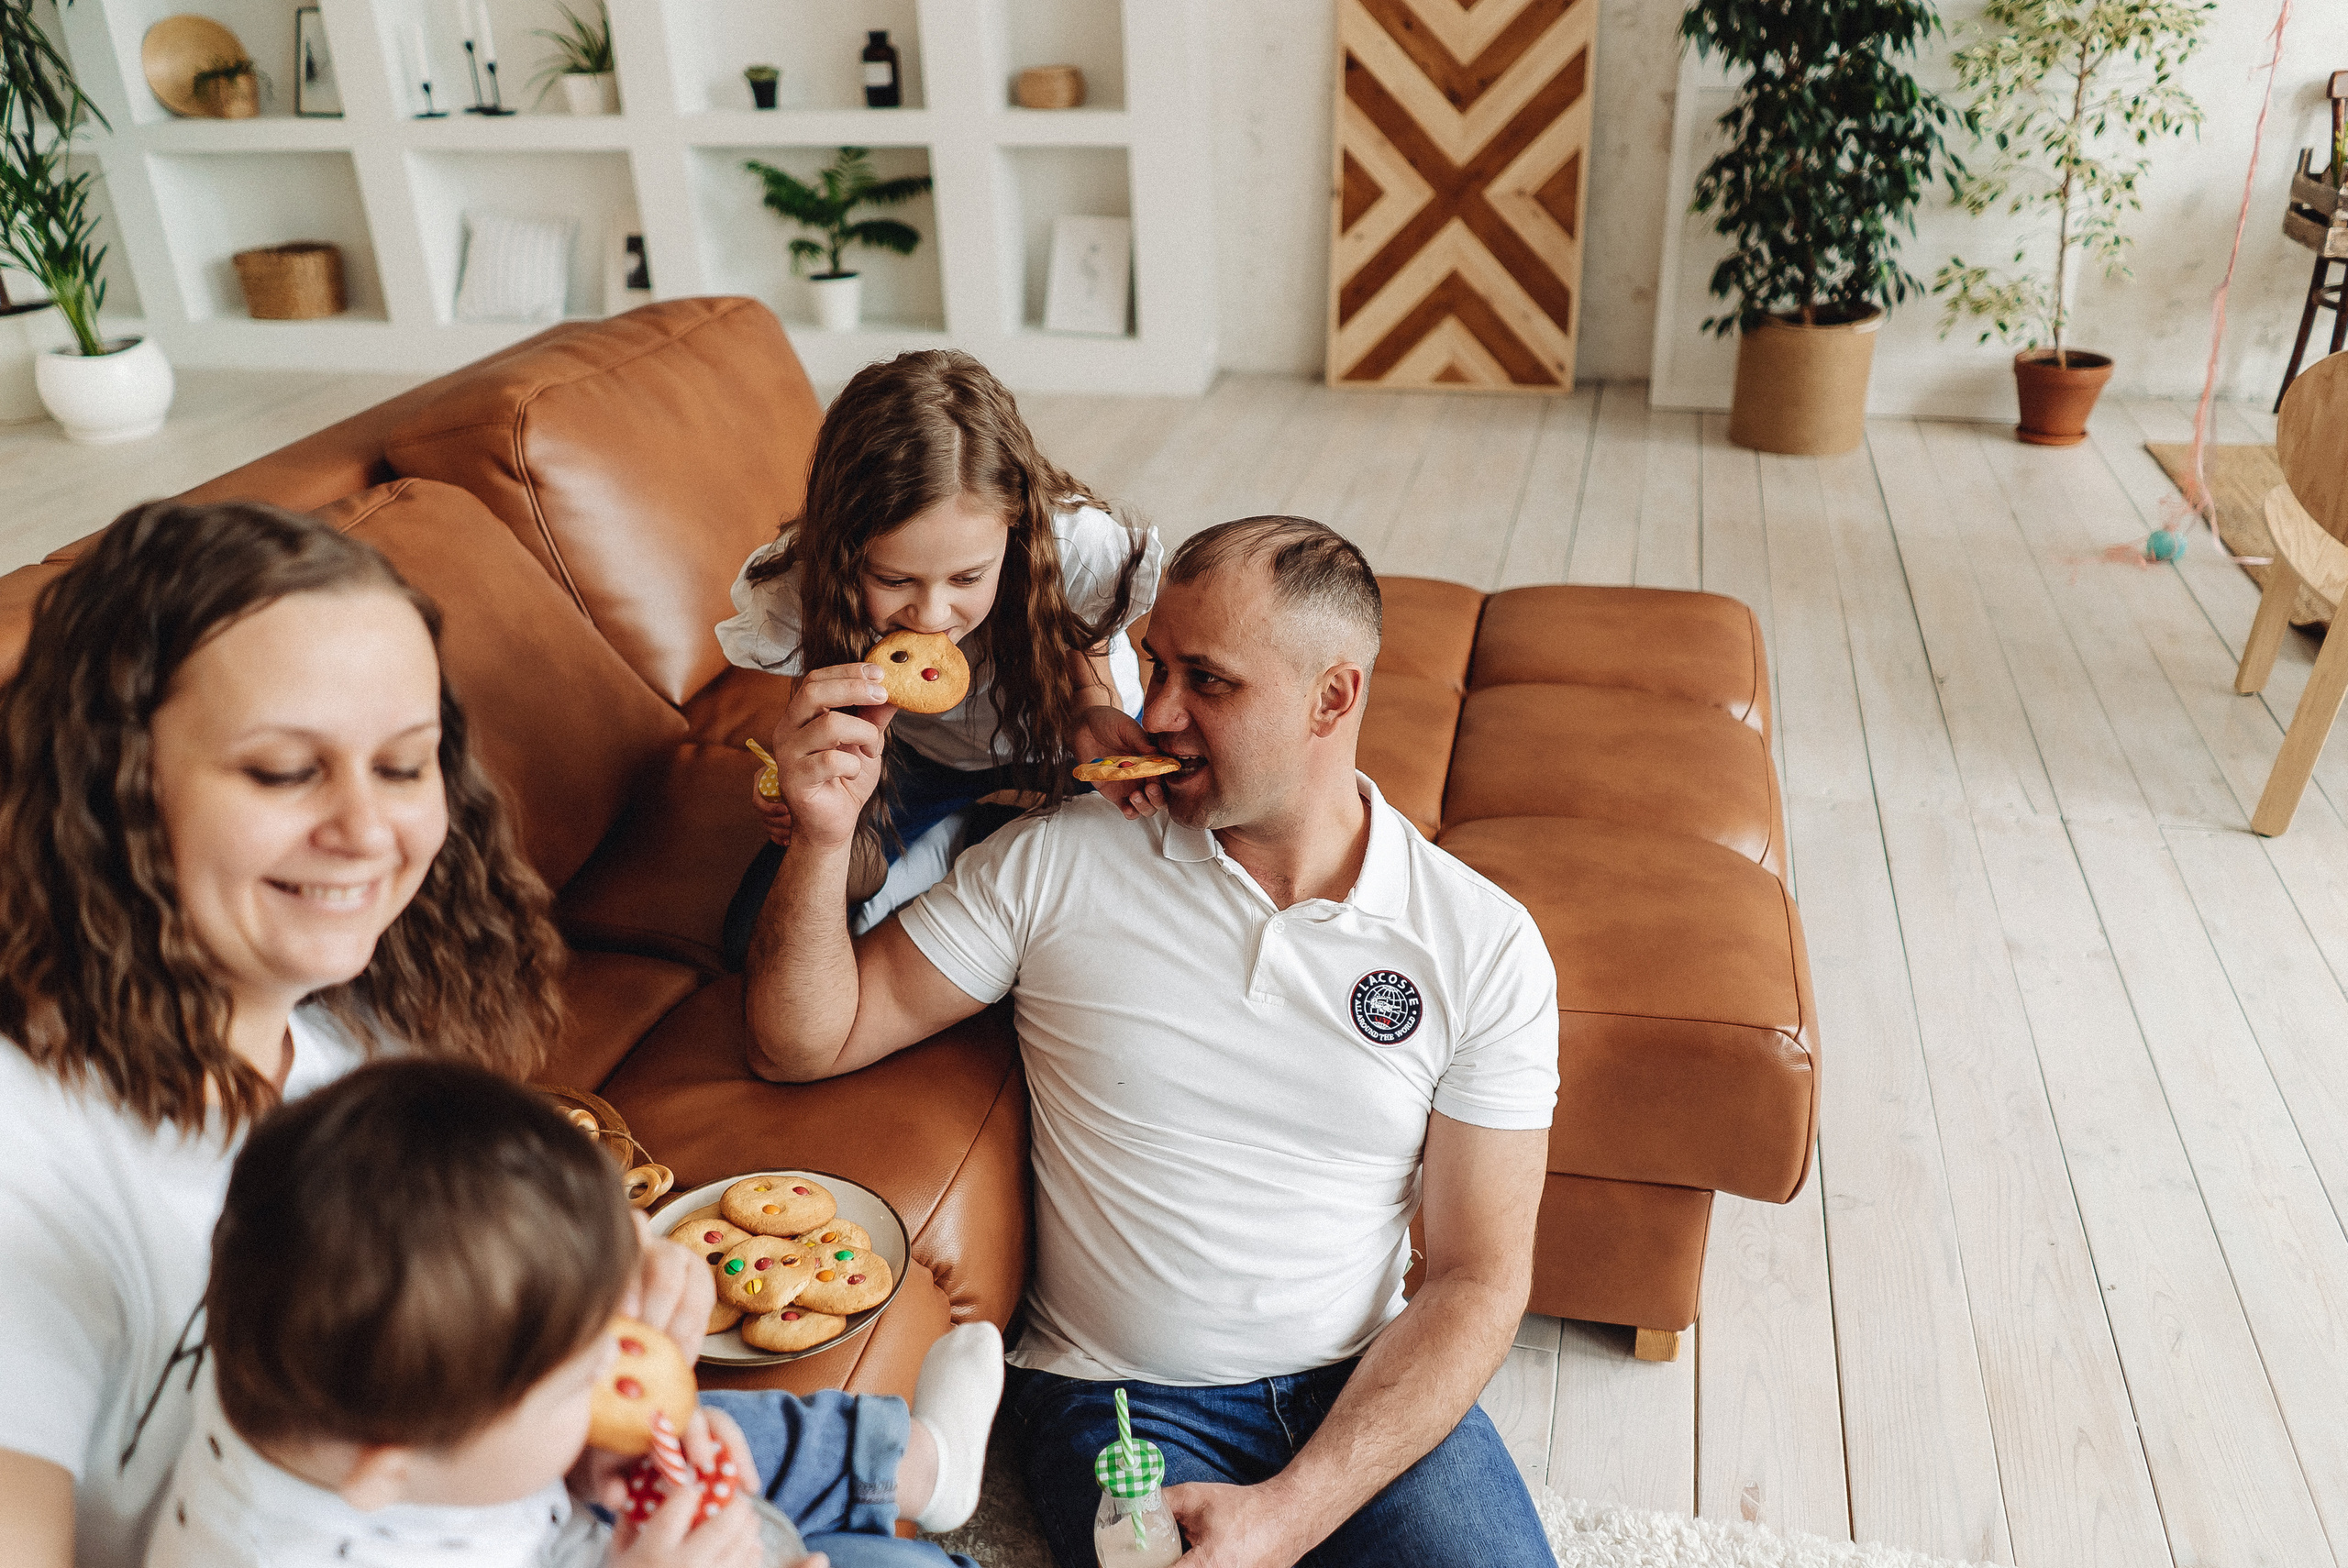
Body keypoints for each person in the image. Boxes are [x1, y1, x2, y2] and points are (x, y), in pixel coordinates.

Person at [744, 516, 1562, 1568]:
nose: (1156, 712)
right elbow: (805, 1041)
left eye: (1208, 683)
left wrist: (1295, 1509)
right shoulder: (1064, 861)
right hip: (1119, 1400)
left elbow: (1478, 1277)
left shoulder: (1480, 945)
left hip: (1362, 1381)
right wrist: (821, 834)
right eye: (1154, 665)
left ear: (1333, 696)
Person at [0, 500, 685, 1568]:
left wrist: (562, 1323)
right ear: (112, 790)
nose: (368, 833)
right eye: (283, 771)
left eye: (405, 766)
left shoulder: (351, 1038)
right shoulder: (24, 1167)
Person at [145, 1057, 1007, 1568]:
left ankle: (923, 1467)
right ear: (385, 1468)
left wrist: (576, 1467)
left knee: (721, 1432)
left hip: (549, 1515)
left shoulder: (339, 1399)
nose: (619, 1369)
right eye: (575, 1384)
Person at [714, 349, 1164, 964]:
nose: (930, 617)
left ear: (1016, 531)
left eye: (968, 577)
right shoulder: (802, 585)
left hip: (1060, 745)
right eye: (894, 580)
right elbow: (822, 720)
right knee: (752, 944)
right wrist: (806, 793)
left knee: (1110, 932)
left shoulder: (1073, 549)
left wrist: (1093, 712)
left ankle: (984, 837)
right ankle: (970, 831)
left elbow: (1084, 650)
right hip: (918, 762)